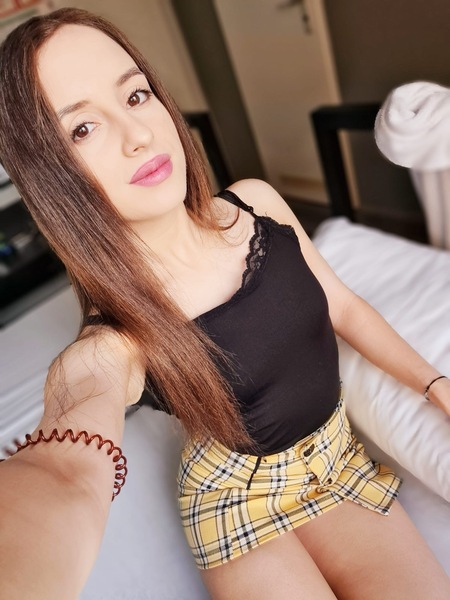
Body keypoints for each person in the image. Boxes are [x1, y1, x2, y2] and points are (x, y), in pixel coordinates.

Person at [0, 8, 449, 600]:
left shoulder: (257, 203)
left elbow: (344, 307)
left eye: (135, 95)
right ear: (50, 175)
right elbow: (64, 460)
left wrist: (436, 385)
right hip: (231, 494)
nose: (138, 135)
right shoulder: (116, 338)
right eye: (83, 129)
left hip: (335, 457)